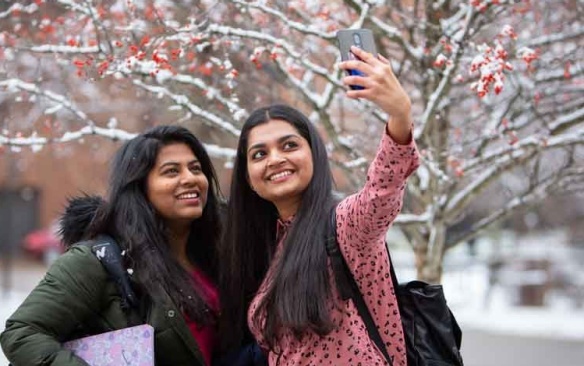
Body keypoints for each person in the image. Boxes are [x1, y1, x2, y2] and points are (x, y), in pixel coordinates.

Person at [219, 45, 421, 366]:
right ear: (247, 176)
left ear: (314, 153)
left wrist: (399, 115)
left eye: (289, 145)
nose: (275, 159)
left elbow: (382, 192)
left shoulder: (345, 224)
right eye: (259, 154)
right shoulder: (271, 243)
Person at [0, 125, 223, 366]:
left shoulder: (215, 256)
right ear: (139, 188)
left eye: (196, 168)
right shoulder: (98, 260)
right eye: (171, 171)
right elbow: (21, 334)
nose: (190, 178)